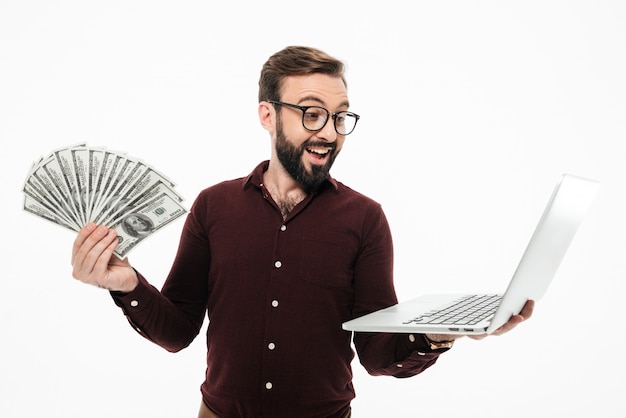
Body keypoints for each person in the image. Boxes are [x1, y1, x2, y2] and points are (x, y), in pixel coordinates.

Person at [71, 46, 534, 418]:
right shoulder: (214, 206)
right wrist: (128, 284)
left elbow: (375, 354)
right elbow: (176, 331)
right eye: (312, 114)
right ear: (267, 115)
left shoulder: (365, 218)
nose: (329, 132)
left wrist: (438, 333)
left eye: (339, 117)